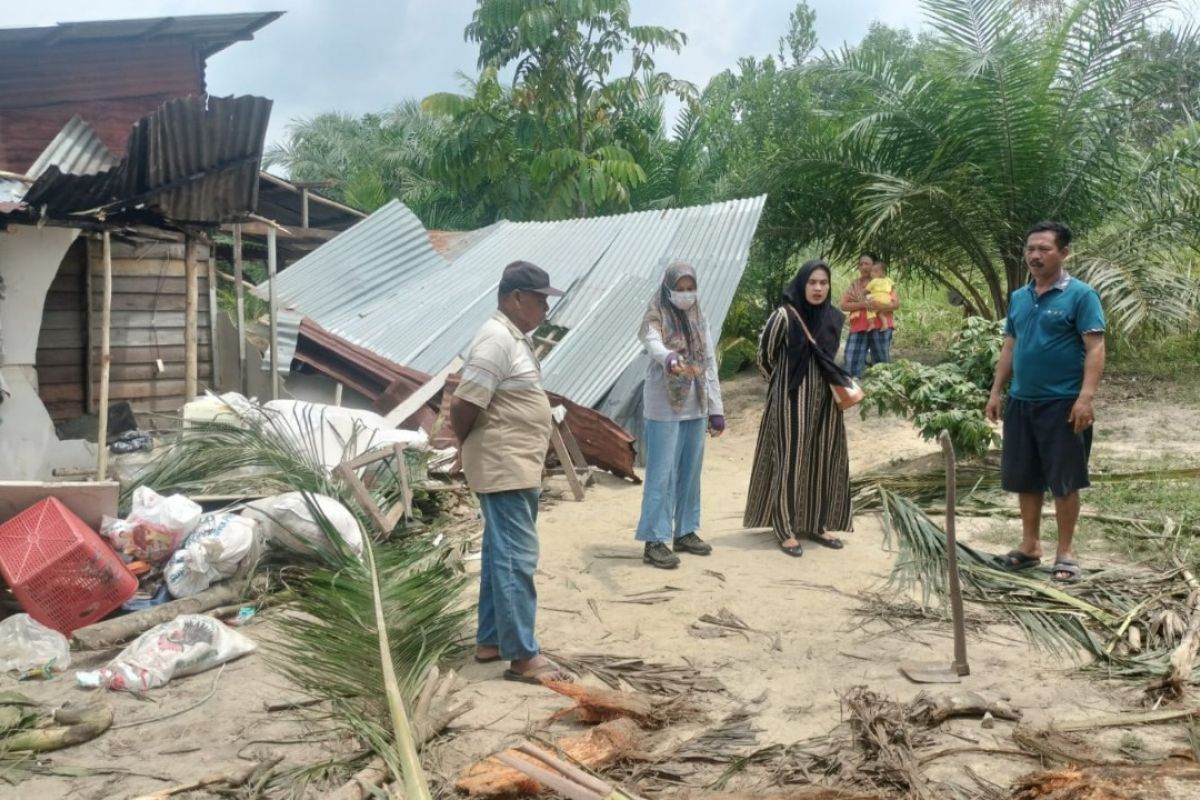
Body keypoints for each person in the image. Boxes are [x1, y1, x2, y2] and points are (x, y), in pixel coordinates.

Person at [449, 260, 572, 683]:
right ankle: (521, 656)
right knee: (516, 558)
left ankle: (491, 640)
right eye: (540, 300)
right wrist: (462, 442)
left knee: (501, 552)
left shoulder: (513, 338)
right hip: (503, 463)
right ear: (516, 298)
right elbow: (465, 402)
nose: (544, 309)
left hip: (514, 462)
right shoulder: (496, 340)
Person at [985, 222, 1106, 582]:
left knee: (1064, 480)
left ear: (1063, 253)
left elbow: (1095, 347)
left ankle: (1065, 553)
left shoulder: (1081, 295)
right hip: (1022, 402)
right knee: (1026, 477)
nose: (1035, 256)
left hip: (1064, 404)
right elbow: (1010, 345)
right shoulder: (1020, 298)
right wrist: (996, 391)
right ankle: (1029, 546)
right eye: (1030, 249)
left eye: (1044, 249)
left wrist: (1086, 398)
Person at [744, 259, 854, 557]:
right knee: (790, 459)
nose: (818, 288)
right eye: (812, 282)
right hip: (791, 400)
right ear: (802, 283)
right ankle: (785, 528)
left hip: (827, 402)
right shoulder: (784, 316)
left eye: (823, 283)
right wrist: (784, 385)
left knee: (822, 458)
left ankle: (817, 524)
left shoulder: (833, 317)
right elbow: (765, 357)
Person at [635, 262, 725, 569]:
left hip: (695, 404)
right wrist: (668, 356)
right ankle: (654, 540)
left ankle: (685, 530)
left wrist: (716, 409)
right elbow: (652, 343)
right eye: (680, 289)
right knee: (662, 473)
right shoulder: (655, 313)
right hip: (664, 405)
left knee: (690, 472)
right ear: (668, 288)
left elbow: (709, 362)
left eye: (690, 289)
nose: (686, 295)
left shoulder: (700, 316)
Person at [841, 253, 900, 377]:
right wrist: (862, 304)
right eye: (861, 264)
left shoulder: (885, 283)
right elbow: (844, 305)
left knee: (881, 364)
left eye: (867, 264)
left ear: (875, 266)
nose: (863, 267)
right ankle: (853, 392)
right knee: (851, 362)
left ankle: (883, 390)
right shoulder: (855, 285)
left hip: (881, 326)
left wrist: (878, 306)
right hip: (858, 326)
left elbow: (895, 304)